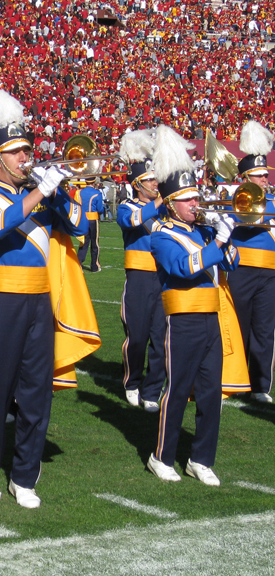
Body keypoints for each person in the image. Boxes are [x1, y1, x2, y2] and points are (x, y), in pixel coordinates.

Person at [0, 87, 87, 508]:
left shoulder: (43, 197)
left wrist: (59, 192)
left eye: (27, 151)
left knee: (37, 392)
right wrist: (38, 194)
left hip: (39, 303)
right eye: (16, 153)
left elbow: (79, 227)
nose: (25, 159)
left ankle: (24, 475)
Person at [147, 125, 239, 486]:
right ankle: (162, 456)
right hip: (183, 320)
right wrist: (216, 242)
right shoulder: (162, 235)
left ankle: (201, 458)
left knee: (211, 393)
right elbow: (183, 268)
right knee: (178, 388)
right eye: (188, 200)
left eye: (196, 198)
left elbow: (230, 262)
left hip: (211, 319)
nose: (196, 204)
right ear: (170, 203)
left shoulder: (202, 230)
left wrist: (225, 235)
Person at [116, 129, 167, 412]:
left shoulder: (164, 209)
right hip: (138, 277)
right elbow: (133, 220)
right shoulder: (127, 206)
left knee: (161, 337)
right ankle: (132, 382)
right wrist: (159, 202)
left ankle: (152, 389)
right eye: (149, 180)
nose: (156, 183)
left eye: (155, 178)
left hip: (163, 277)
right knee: (137, 336)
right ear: (138, 184)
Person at [226, 120, 275, 403]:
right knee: (238, 326)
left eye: (265, 174)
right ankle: (234, 379)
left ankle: (260, 385)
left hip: (269, 273)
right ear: (245, 178)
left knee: (264, 330)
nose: (264, 180)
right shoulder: (236, 200)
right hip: (242, 269)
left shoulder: (272, 201)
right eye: (258, 176)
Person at [76, 175, 104, 272]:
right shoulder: (97, 193)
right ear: (94, 182)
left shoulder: (79, 192)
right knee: (94, 243)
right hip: (93, 219)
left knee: (84, 242)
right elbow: (100, 208)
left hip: (83, 219)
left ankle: (78, 263)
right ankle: (94, 265)